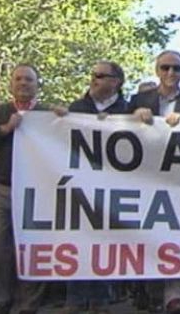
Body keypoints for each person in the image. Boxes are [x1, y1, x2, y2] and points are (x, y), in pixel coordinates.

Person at [130, 51, 180, 314]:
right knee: (150, 237)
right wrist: (133, 116)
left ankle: (175, 297)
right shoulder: (139, 100)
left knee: (179, 237)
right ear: (157, 70)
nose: (171, 73)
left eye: (177, 68)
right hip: (146, 181)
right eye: (165, 68)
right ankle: (153, 294)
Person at [0, 64, 48, 314]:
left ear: (37, 84)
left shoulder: (47, 113)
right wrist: (5, 128)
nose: (23, 83)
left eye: (29, 79)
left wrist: (62, 118)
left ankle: (28, 303)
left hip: (36, 191)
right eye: (18, 79)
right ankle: (0, 300)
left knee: (33, 247)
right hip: (0, 188)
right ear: (11, 84)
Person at [60, 61, 130, 314]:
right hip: (82, 184)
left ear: (116, 82)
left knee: (105, 240)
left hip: (114, 185)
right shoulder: (77, 108)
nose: (94, 79)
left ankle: (100, 298)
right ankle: (75, 298)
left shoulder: (129, 110)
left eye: (101, 75)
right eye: (93, 74)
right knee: (78, 237)